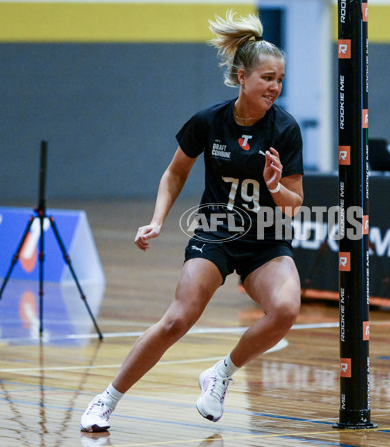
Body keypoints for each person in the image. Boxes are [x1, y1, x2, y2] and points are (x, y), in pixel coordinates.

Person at [80, 10, 304, 431]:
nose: (274, 87)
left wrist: (275, 184)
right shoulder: (209, 121)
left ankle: (220, 372)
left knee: (286, 309)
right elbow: (175, 172)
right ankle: (106, 400)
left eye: (279, 79)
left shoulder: (285, 129)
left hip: (265, 239)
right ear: (242, 77)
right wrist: (157, 220)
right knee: (178, 319)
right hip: (216, 233)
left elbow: (293, 205)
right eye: (266, 78)